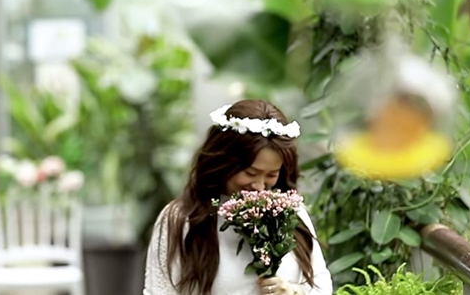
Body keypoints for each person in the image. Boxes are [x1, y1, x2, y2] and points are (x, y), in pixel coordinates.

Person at [143, 100, 333, 295]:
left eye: (271, 175)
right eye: (251, 173)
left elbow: (322, 285)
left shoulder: (291, 211)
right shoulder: (180, 219)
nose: (259, 187)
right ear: (224, 163)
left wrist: (293, 292)